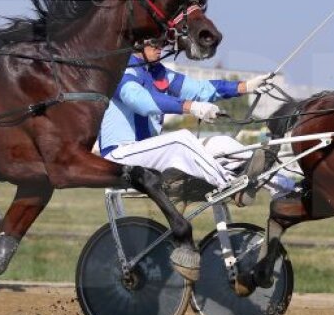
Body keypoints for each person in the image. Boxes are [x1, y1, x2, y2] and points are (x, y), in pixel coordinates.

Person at [97, 39, 292, 197]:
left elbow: (200, 89)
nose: (161, 48)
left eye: (163, 43)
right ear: (137, 43)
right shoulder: (120, 70)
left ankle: (288, 187)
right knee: (181, 139)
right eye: (155, 43)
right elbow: (140, 101)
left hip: (149, 156)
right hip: (119, 157)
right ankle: (229, 185)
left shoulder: (158, 73)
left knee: (222, 143)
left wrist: (246, 87)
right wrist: (191, 107)